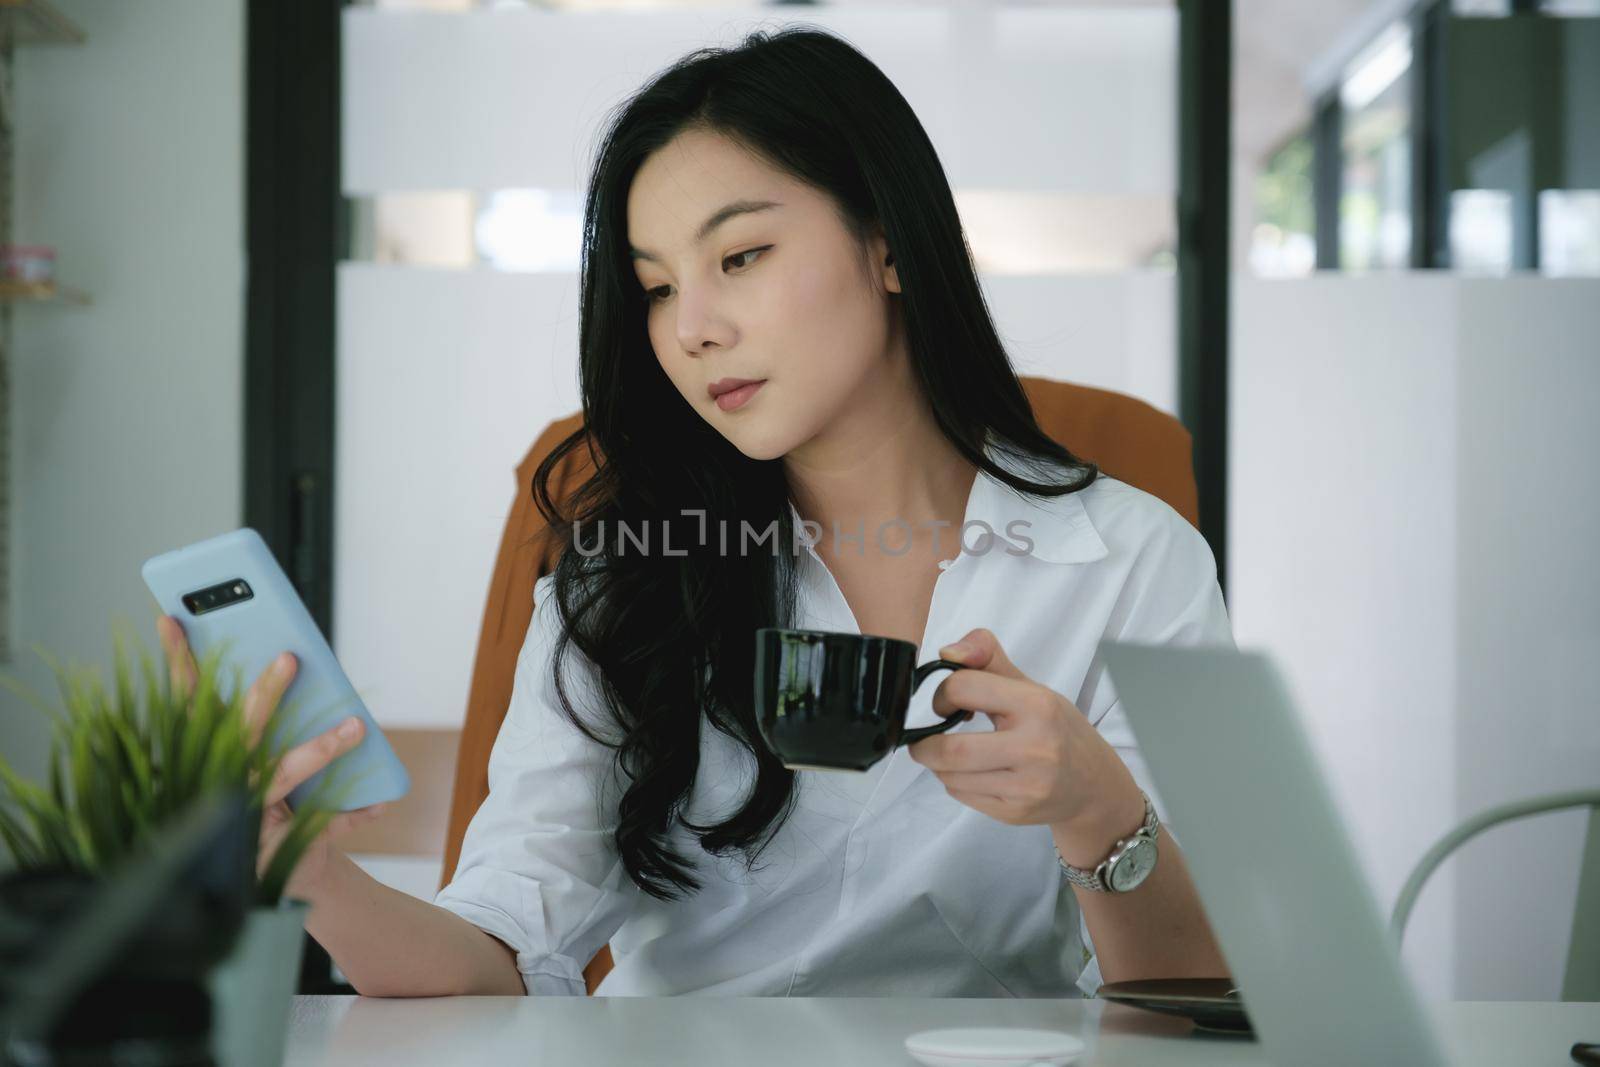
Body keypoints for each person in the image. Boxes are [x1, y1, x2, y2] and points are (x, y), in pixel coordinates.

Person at [159, 25, 1232, 999]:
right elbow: (494, 948)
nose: (692, 328)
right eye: (657, 286)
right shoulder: (627, 570)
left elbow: (1190, 994)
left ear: (889, 244)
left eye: (741, 256)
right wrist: (307, 872)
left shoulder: (1132, 560)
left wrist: (1099, 809)